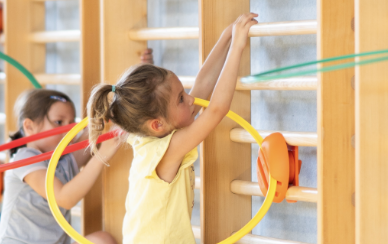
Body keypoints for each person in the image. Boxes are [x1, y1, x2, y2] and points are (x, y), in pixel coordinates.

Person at [85, 13, 259, 243]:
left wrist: (227, 36)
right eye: (180, 98)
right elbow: (216, 110)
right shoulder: (167, 149)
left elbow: (204, 83)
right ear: (157, 124)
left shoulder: (149, 133)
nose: (190, 100)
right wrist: (237, 46)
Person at [0, 89, 118, 244]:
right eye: (59, 122)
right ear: (29, 126)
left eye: (72, 124)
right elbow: (63, 198)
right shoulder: (24, 158)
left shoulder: (63, 160)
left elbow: (93, 131)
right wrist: (104, 154)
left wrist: (108, 112)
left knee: (102, 240)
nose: (69, 131)